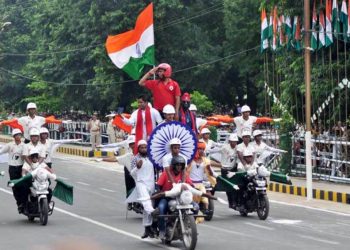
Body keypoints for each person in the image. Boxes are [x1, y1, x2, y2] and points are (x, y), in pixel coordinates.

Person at [155, 155, 193, 240]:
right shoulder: (166, 173)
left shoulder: (184, 174)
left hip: (181, 198)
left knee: (196, 207)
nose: (179, 166)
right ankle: (162, 230)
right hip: (167, 197)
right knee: (161, 208)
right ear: (173, 165)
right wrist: (159, 191)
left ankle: (190, 226)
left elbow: (190, 184)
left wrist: (194, 188)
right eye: (177, 164)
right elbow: (158, 185)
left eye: (181, 165)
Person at [129, 140, 156, 239]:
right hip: (141, 183)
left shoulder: (152, 157)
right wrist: (137, 167)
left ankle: (147, 229)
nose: (144, 149)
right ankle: (153, 212)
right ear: (138, 148)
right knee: (145, 201)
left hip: (151, 184)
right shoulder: (135, 158)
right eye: (142, 147)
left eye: (145, 147)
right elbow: (132, 173)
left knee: (147, 207)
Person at [186, 141, 215, 214]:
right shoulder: (190, 160)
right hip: (191, 184)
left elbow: (211, 173)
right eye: (199, 149)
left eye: (202, 149)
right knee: (188, 197)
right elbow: (185, 172)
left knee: (204, 195)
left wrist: (209, 168)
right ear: (196, 149)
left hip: (201, 183)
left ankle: (206, 209)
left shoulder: (205, 161)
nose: (201, 150)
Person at [0, 128, 25, 213]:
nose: (18, 136)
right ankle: (20, 204)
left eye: (19, 135)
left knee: (24, 186)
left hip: (22, 168)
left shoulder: (24, 145)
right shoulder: (10, 145)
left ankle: (25, 202)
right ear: (14, 136)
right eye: (17, 135)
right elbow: (1, 152)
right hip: (12, 168)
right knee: (15, 187)